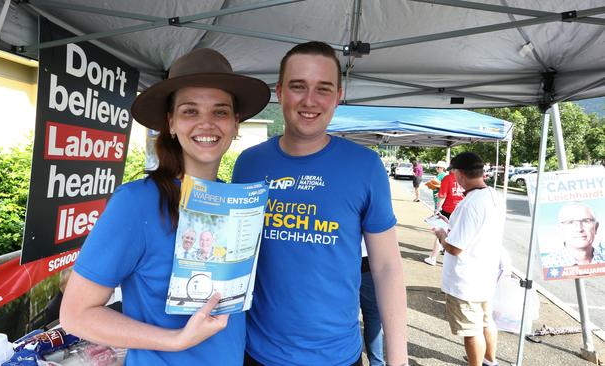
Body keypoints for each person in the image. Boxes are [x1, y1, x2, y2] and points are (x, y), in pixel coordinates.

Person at [59, 48, 270, 365]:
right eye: (190, 111)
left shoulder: (235, 203)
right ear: (170, 123)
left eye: (220, 112)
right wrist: (176, 340)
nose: (206, 123)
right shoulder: (137, 203)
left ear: (236, 123)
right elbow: (76, 314)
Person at [232, 41, 408, 366]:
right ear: (280, 91)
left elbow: (386, 268)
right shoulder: (248, 165)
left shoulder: (365, 167)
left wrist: (397, 359)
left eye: (323, 89)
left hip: (337, 357)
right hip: (256, 354)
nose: (309, 100)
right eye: (298, 87)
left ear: (338, 96)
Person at [433, 152, 505, 366]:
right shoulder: (494, 195)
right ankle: (490, 361)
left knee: (471, 330)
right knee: (486, 321)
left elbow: (455, 248)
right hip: (485, 273)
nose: (454, 177)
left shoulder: (469, 204)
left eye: (454, 173)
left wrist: (442, 235)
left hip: (466, 279)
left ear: (461, 174)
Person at [424, 163, 465, 266]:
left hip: (448, 210)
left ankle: (433, 258)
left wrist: (437, 209)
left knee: (441, 233)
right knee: (457, 235)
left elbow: (442, 196)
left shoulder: (448, 178)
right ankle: (453, 259)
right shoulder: (464, 178)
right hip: (460, 210)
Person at [542, 202, 605, 267]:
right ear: (560, 229)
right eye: (570, 222)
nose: (579, 229)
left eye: (586, 221)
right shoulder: (544, 266)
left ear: (596, 227)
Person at [360, 239, 385, 366]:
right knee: (373, 318)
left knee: (347, 317)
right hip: (370, 258)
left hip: (343, 258)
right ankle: (377, 363)